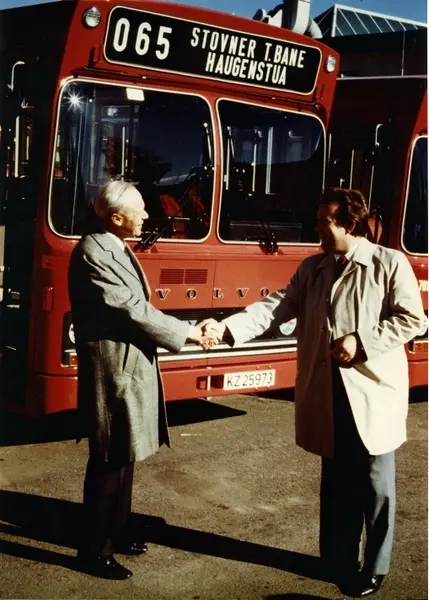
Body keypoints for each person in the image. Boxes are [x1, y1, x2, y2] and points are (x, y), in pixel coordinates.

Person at [200, 188, 426, 597]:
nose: (317, 228)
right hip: (327, 391)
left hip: (372, 393)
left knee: (376, 485)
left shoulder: (389, 263)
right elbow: (275, 308)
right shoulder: (312, 267)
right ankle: (338, 559)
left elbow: (413, 320)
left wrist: (361, 341)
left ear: (350, 224)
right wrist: (226, 327)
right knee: (336, 481)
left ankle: (375, 567)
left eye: (325, 222)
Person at [68, 180, 214, 580]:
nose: (148, 215)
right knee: (109, 458)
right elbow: (133, 308)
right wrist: (189, 333)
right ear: (117, 218)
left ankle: (117, 530)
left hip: (127, 364)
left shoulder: (114, 245)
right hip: (113, 368)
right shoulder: (94, 252)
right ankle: (94, 550)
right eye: (141, 210)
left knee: (124, 452)